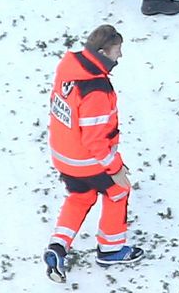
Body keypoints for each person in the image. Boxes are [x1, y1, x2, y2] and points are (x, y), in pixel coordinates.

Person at [43, 25, 144, 283]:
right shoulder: (96, 90)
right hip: (86, 160)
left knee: (80, 197)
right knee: (118, 190)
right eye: (117, 50)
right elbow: (94, 141)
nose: (120, 56)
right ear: (102, 53)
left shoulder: (69, 69)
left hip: (63, 155)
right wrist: (115, 168)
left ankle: (58, 247)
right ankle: (110, 249)